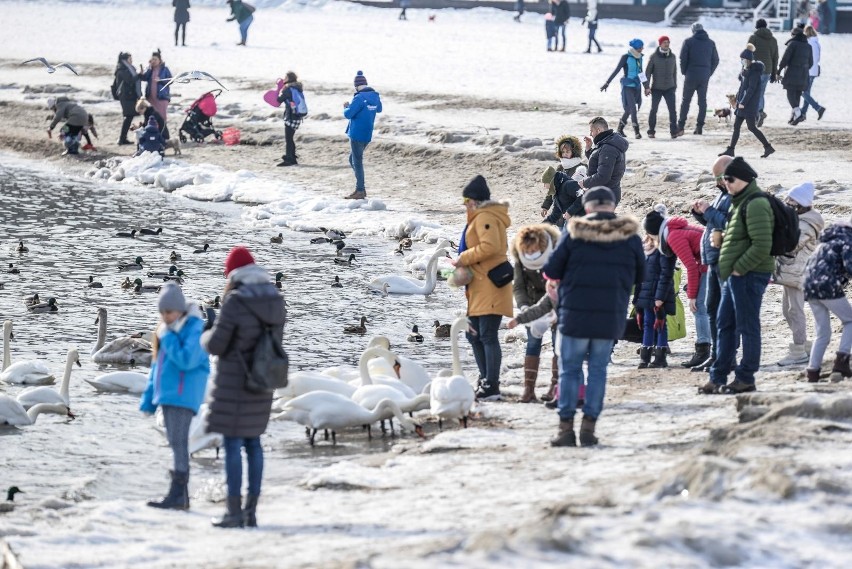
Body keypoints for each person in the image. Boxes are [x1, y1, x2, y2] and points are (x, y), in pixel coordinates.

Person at [543, 186, 645, 447]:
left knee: (570, 371)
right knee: (598, 371)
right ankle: (589, 429)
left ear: (587, 207)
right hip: (610, 314)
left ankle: (565, 429)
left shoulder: (574, 231)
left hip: (574, 314)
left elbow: (551, 269)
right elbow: (641, 275)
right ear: (612, 206)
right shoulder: (630, 236)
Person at [202, 246, 286, 529]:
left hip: (235, 382)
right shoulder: (276, 298)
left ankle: (234, 512)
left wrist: (205, 334)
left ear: (233, 274)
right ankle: (251, 511)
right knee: (254, 443)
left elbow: (216, 345)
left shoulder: (235, 302)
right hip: (264, 380)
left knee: (232, 443)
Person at [701, 157, 773, 395]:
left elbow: (762, 244)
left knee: (747, 326)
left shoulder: (756, 203)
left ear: (742, 178)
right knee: (725, 324)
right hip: (734, 275)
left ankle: (745, 378)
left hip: (749, 274)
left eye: (728, 179)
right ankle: (718, 376)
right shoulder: (738, 201)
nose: (724, 184)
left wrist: (738, 268)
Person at [140, 283, 209, 511]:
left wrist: (167, 337)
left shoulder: (194, 329)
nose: (166, 317)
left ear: (180, 309)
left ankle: (178, 495)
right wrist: (149, 399)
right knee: (174, 442)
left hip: (183, 394)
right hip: (168, 395)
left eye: (169, 312)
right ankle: (181, 495)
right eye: (162, 313)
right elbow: (156, 368)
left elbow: (187, 360)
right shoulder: (166, 330)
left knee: (179, 443)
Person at [454, 175, 512, 401]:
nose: (465, 206)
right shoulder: (481, 217)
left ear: (475, 201)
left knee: (487, 335)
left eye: (466, 201)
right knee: (474, 335)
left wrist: (463, 258)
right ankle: (484, 378)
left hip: (489, 285)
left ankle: (491, 385)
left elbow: (491, 247)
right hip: (479, 286)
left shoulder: (485, 217)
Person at [644, 205, 710, 369]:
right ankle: (709, 349)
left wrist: (692, 296)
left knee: (698, 307)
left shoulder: (674, 237)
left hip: (714, 266)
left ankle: (703, 350)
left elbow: (691, 268)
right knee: (706, 307)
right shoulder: (674, 231)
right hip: (709, 265)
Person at [507, 224, 562, 402]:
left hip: (555, 302)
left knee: (557, 345)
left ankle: (555, 386)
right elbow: (518, 286)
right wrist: (523, 306)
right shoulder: (520, 260)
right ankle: (528, 389)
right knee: (532, 343)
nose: (530, 253)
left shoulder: (556, 256)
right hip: (532, 305)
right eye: (527, 250)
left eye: (534, 250)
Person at [690, 155, 734, 372]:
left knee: (725, 313)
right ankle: (717, 354)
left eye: (719, 177)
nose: (716, 181)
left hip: (726, 261)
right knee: (712, 310)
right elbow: (713, 224)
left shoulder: (736, 196)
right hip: (713, 261)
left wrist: (708, 211)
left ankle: (727, 356)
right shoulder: (723, 195)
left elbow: (729, 225)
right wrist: (700, 214)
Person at [774, 182, 824, 366]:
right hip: (790, 272)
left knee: (795, 310)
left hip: (799, 272)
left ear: (802, 203)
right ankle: (805, 347)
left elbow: (792, 245)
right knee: (787, 311)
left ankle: (798, 351)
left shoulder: (808, 223)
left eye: (792, 201)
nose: (788, 203)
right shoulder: (797, 219)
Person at [803, 217, 852, 382]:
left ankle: (812, 372)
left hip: (809, 285)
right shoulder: (848, 239)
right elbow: (850, 265)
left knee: (822, 332)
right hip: (827, 286)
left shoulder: (828, 239)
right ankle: (841, 363)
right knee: (850, 321)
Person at [719, 44, 775, 159]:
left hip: (749, 106)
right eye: (741, 60)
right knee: (736, 127)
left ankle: (768, 147)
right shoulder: (746, 71)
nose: (742, 61)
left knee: (752, 127)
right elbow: (742, 88)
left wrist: (743, 102)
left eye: (743, 59)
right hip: (742, 105)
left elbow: (751, 90)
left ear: (748, 60)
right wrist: (737, 99)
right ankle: (731, 150)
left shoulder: (754, 72)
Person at [633, 218, 675, 369]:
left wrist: (660, 297)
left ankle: (660, 357)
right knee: (647, 324)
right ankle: (645, 356)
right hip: (645, 294)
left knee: (661, 325)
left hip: (658, 294)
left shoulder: (664, 249)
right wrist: (637, 298)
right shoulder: (644, 247)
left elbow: (666, 274)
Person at [343, 71, 382, 200]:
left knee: (357, 162)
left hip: (356, 134)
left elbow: (348, 114)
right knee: (352, 159)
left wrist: (346, 107)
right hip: (367, 133)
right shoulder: (375, 96)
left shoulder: (359, 98)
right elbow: (379, 109)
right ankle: (361, 187)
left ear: (356, 86)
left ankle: (360, 190)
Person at [675, 23, 719, 137]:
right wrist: (708, 72)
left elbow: (682, 58)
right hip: (704, 75)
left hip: (691, 74)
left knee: (686, 101)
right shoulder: (711, 43)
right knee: (702, 102)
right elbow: (716, 60)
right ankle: (699, 127)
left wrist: (684, 71)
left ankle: (681, 126)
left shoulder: (688, 42)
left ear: (693, 31)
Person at [578, 117, 628, 205]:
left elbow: (603, 176)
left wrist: (584, 183)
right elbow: (600, 162)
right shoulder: (608, 142)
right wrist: (589, 150)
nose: (590, 134)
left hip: (605, 195)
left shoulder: (608, 148)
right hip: (606, 192)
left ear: (598, 130)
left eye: (591, 131)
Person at [601, 38, 645, 140]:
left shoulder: (640, 58)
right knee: (632, 108)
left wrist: (646, 87)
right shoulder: (626, 57)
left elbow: (641, 73)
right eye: (641, 46)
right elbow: (616, 70)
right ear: (636, 47)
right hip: (627, 87)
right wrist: (607, 83)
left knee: (629, 109)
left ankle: (620, 129)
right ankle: (637, 132)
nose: (642, 48)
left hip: (637, 86)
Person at [643, 35, 678, 139]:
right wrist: (646, 86)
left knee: (672, 110)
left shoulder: (673, 56)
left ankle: (673, 131)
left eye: (668, 42)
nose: (666, 44)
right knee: (654, 110)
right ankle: (651, 131)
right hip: (657, 88)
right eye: (664, 42)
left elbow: (674, 72)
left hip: (670, 88)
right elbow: (647, 73)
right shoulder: (653, 57)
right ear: (660, 44)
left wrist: (674, 85)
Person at [747, 19, 778, 127]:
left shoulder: (753, 38)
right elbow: (775, 57)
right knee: (760, 92)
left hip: (755, 69)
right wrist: (774, 73)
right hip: (767, 70)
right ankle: (759, 112)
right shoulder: (773, 39)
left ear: (756, 27)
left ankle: (758, 113)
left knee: (753, 92)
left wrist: (745, 69)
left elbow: (747, 54)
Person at [778, 27, 813, 126]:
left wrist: (779, 70)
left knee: (790, 93)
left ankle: (798, 113)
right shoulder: (808, 46)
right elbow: (811, 63)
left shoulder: (792, 44)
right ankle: (793, 117)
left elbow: (785, 59)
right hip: (804, 74)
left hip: (792, 72)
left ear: (794, 35)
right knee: (797, 94)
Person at [140, 49, 173, 140]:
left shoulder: (165, 69)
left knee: (161, 117)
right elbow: (144, 78)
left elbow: (170, 80)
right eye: (152, 59)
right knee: (151, 117)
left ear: (160, 60)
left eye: (155, 59)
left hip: (161, 97)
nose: (154, 61)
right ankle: (151, 134)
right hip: (151, 98)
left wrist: (161, 81)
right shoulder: (149, 69)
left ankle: (163, 135)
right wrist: (141, 74)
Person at [112, 52, 141, 146]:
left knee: (129, 116)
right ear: (125, 60)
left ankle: (123, 138)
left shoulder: (125, 68)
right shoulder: (122, 70)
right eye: (130, 59)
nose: (131, 60)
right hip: (126, 97)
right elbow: (130, 80)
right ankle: (121, 139)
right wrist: (139, 75)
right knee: (128, 116)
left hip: (128, 96)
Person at [799, 25, 827, 123]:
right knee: (807, 92)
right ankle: (803, 113)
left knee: (801, 91)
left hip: (807, 70)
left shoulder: (807, 43)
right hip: (814, 70)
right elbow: (818, 58)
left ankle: (818, 108)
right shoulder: (817, 43)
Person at [276, 71, 304, 167]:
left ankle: (289, 159)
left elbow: (278, 100)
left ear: (289, 79)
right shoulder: (297, 88)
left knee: (288, 139)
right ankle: (292, 157)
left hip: (291, 117)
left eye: (285, 77)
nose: (284, 79)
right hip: (297, 116)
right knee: (290, 138)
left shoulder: (288, 89)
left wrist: (279, 88)